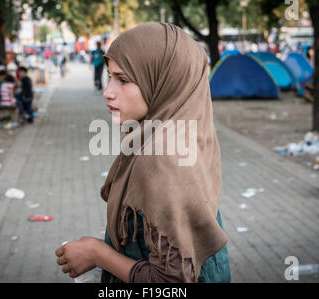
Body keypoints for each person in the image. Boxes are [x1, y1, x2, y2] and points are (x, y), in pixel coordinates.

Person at [55, 23, 230, 283]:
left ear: (163, 82)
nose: (108, 92)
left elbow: (173, 282)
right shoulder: (188, 136)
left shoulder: (163, 160)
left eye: (123, 80)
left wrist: (97, 254)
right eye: (110, 77)